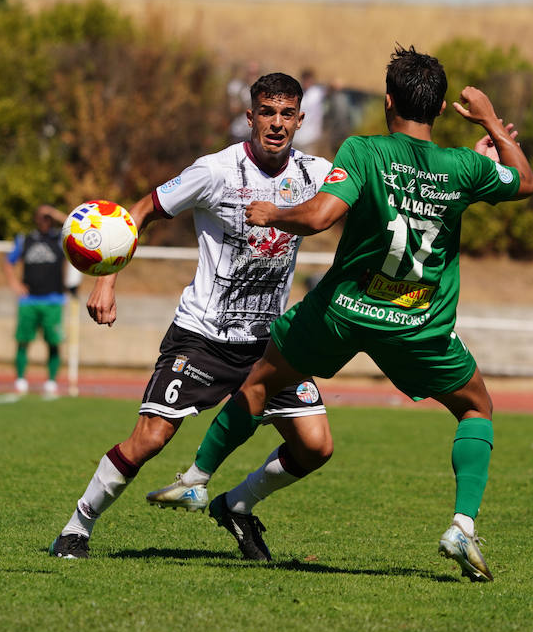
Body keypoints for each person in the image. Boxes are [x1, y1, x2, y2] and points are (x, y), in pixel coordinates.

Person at [175, 47, 533, 581]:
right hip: (419, 323)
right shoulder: (464, 166)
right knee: (476, 407)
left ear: (388, 101)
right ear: (439, 108)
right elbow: (524, 181)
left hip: (343, 310)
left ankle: (198, 476)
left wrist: (273, 210)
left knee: (261, 380)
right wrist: (489, 125)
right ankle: (461, 524)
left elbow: (322, 216)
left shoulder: (364, 150)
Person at [49, 72, 335, 561]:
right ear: (250, 117)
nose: (276, 124)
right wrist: (107, 274)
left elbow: (374, 191)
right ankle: (77, 527)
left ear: (300, 120)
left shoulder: (315, 173)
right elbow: (143, 208)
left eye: (287, 114)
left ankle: (238, 505)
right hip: (203, 336)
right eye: (267, 112)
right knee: (150, 440)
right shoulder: (214, 171)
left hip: (269, 343)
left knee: (315, 446)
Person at [4, 204, 79, 397]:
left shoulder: (59, 239)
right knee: (22, 341)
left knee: (53, 342)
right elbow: (8, 262)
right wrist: (15, 284)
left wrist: (54, 212)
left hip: (53, 300)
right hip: (29, 301)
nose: (44, 220)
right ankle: (20, 378)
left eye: (48, 218)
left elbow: (78, 227)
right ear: (35, 219)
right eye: (41, 217)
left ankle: (51, 381)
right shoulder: (25, 240)